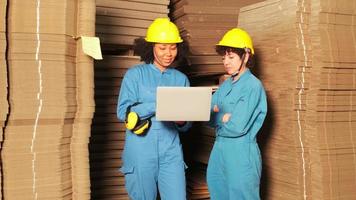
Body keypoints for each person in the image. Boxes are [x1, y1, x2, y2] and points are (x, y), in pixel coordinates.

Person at [117, 18, 191, 200]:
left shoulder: (181, 79)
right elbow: (122, 112)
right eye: (162, 48)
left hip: (171, 152)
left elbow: (187, 124)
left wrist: (182, 122)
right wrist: (158, 105)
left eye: (173, 48)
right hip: (141, 152)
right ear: (151, 47)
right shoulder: (135, 75)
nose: (168, 53)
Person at [206, 28, 267, 200]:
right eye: (224, 57)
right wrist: (222, 117)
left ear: (246, 56)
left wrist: (217, 115)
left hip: (241, 153)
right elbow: (207, 114)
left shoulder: (253, 86)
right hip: (219, 149)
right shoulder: (226, 85)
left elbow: (237, 126)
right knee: (217, 193)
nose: (226, 62)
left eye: (231, 57)